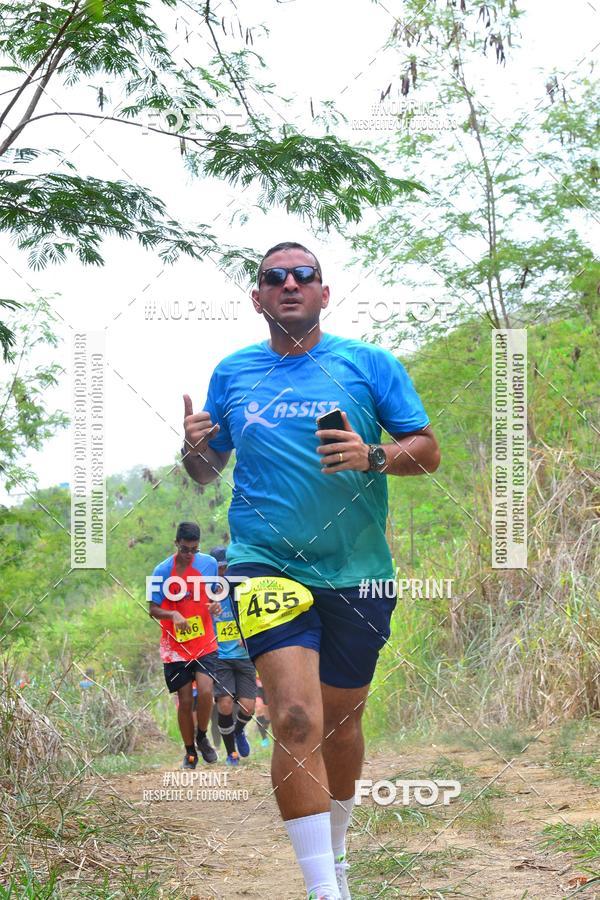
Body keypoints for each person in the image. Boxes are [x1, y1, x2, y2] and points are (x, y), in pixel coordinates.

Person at [181, 242, 440, 899]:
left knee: (340, 722)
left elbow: (427, 451)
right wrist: (192, 449)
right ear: (258, 297)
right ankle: (326, 891)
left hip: (358, 571)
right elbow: (207, 471)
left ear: (324, 293)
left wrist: (372, 455)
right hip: (264, 564)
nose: (290, 284)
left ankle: (339, 852)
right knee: (296, 719)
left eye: (304, 276)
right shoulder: (234, 374)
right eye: (275, 277)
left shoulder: (369, 365)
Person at [149, 521, 220, 769]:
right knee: (185, 700)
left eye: (194, 550)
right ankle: (190, 751)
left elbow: (213, 596)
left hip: (204, 640)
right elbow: (153, 610)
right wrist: (174, 615)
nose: (190, 554)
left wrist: (214, 605)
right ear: (176, 544)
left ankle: (202, 735)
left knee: (206, 690)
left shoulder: (209, 564)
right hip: (175, 645)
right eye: (185, 549)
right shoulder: (160, 571)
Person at [209, 545, 257, 766]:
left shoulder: (243, 589)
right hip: (220, 656)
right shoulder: (206, 593)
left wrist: (246, 633)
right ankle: (231, 754)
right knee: (225, 704)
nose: (223, 573)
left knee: (248, 706)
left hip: (244, 655)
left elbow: (256, 616)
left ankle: (239, 732)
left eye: (226, 568)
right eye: (218, 569)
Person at [255, 676, 271, 748]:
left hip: (267, 682)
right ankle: (264, 738)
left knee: (268, 713)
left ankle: (265, 728)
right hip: (254, 683)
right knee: (259, 707)